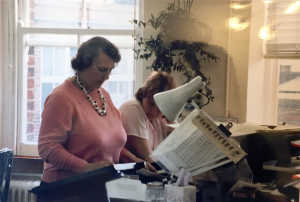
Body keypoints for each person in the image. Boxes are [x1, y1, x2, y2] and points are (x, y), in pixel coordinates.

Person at [38, 36, 128, 184]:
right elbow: (47, 148)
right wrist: (86, 167)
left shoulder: (104, 95)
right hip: (64, 190)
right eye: (102, 70)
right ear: (83, 64)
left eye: (110, 70)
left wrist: (138, 163)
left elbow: (110, 143)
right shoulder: (61, 98)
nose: (107, 77)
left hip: (97, 186)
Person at [119, 72, 176, 163]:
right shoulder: (133, 108)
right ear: (143, 94)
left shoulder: (159, 119)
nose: (154, 111)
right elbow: (148, 158)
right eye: (151, 104)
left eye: (160, 108)